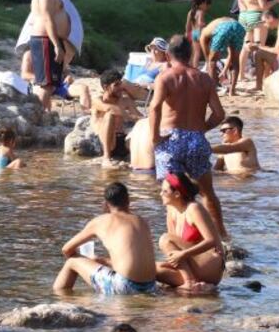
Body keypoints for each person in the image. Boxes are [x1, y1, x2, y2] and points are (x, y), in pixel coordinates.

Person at [150, 35, 228, 239]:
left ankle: (174, 240)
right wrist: (201, 128)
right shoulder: (204, 79)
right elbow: (220, 114)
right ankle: (222, 236)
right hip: (196, 138)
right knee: (207, 192)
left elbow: (155, 107)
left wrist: (155, 137)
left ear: (168, 54)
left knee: (171, 195)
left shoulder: (165, 77)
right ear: (191, 54)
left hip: (171, 140)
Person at [52, 182, 157, 295]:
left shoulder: (101, 221)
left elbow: (66, 249)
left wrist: (83, 261)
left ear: (106, 204)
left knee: (71, 262)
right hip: (150, 286)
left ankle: (59, 298)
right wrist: (102, 262)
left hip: (124, 286)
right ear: (128, 200)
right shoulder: (142, 221)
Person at [155, 170, 224, 289]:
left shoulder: (194, 209)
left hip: (211, 264)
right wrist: (176, 259)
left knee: (165, 239)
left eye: (165, 191)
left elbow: (211, 240)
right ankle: (195, 283)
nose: (160, 194)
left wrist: (183, 254)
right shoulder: (171, 210)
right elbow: (172, 249)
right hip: (193, 264)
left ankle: (189, 282)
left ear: (177, 194)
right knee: (152, 269)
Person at [28, 0, 74, 108]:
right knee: (46, 85)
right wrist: (56, 45)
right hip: (45, 40)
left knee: (51, 84)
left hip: (51, 39)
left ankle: (44, 116)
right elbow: (47, 18)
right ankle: (38, 116)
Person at [236, 0, 279, 85]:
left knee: (245, 47)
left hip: (243, 16)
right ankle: (260, 77)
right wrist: (276, 1)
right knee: (259, 47)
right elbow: (263, 6)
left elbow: (240, 3)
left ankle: (241, 75)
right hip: (255, 15)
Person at [91, 69, 146, 168]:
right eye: (116, 85)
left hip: (122, 141)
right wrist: (130, 117)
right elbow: (110, 109)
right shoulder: (97, 100)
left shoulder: (125, 101)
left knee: (143, 125)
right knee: (110, 115)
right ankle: (106, 157)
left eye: (120, 84)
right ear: (105, 87)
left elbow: (140, 118)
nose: (120, 87)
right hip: (105, 142)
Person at [199, 16, 243, 96]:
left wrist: (210, 62)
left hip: (224, 28)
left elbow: (208, 59)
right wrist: (223, 70)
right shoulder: (214, 25)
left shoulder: (203, 33)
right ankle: (232, 90)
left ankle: (213, 89)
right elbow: (231, 55)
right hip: (239, 27)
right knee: (236, 60)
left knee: (211, 62)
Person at [185, 0, 211, 68]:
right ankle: (197, 67)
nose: (206, 7)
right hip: (199, 33)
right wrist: (205, 26)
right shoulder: (201, 12)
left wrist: (187, 33)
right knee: (199, 52)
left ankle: (191, 66)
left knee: (194, 52)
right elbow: (200, 23)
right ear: (202, 3)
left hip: (193, 33)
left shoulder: (191, 12)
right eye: (206, 4)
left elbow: (188, 24)